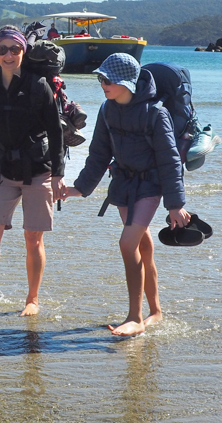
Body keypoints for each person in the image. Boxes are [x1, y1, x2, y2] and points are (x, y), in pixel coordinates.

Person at [63, 53, 190, 337]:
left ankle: (135, 317)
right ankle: (155, 312)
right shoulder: (107, 110)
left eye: (109, 80)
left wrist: (175, 205)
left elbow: (170, 161)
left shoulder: (156, 113)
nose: (103, 84)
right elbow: (98, 155)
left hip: (149, 186)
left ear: (128, 82)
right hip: (122, 185)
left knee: (126, 244)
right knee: (143, 246)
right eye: (100, 78)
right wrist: (79, 188)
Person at [0, 25, 66, 316]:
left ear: (24, 51)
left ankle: (32, 299)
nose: (9, 55)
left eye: (15, 49)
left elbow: (56, 132)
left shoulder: (38, 86)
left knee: (33, 238)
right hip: (2, 170)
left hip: (38, 170)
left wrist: (58, 173)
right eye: (2, 49)